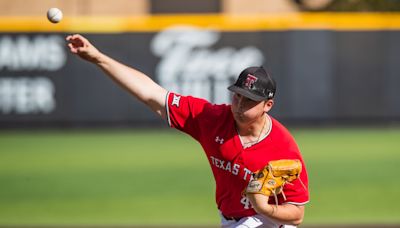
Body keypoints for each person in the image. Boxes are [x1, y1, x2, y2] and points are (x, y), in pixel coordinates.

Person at [66, 34, 309, 228]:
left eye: (249, 100)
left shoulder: (283, 149)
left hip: (268, 222)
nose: (240, 104)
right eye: (238, 96)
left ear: (268, 105)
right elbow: (152, 94)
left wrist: (264, 208)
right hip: (231, 219)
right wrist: (98, 58)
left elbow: (297, 214)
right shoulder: (211, 118)